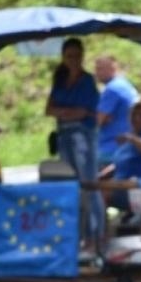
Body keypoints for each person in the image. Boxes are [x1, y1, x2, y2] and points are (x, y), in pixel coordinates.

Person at [45, 38, 103, 252]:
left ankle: (95, 234)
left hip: (83, 136)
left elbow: (84, 113)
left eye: (77, 56)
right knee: (70, 184)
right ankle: (75, 234)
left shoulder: (87, 81)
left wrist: (65, 112)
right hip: (64, 136)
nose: (73, 60)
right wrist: (68, 113)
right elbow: (49, 109)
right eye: (69, 56)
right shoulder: (59, 79)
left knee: (88, 183)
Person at [94, 54, 140, 165]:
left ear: (112, 69)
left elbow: (96, 121)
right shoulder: (125, 85)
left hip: (111, 148)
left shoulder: (112, 89)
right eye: (96, 69)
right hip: (127, 145)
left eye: (100, 69)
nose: (96, 73)